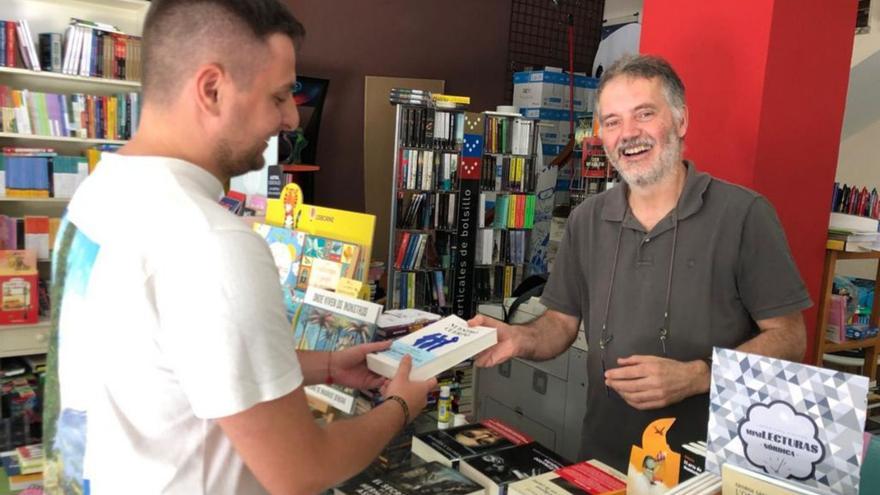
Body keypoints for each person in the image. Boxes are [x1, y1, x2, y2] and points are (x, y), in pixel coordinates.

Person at [42, 1, 437, 494]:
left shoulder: (101, 193)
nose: (292, 118)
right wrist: (401, 406)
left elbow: (171, 364)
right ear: (212, 90)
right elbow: (302, 471)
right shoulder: (212, 242)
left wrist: (327, 366)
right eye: (278, 97)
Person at [471, 54, 811, 472]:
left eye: (644, 114)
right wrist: (518, 337)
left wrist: (698, 375)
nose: (628, 134)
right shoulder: (587, 219)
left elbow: (791, 338)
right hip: (604, 459)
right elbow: (560, 323)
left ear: (681, 121)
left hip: (708, 471)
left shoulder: (744, 215)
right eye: (612, 122)